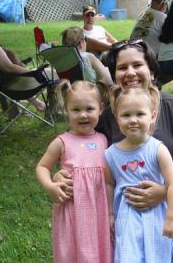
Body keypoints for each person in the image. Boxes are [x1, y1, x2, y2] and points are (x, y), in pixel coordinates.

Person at [53, 39, 173, 263]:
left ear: (151, 71)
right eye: (122, 68)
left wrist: (165, 191)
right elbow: (75, 146)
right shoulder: (104, 116)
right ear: (114, 75)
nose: (130, 73)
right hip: (131, 198)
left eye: (137, 65)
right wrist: (60, 174)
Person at [105, 86, 173, 262]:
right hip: (126, 218)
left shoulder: (158, 149)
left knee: (158, 255)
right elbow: (109, 184)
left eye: (140, 114)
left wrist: (172, 218)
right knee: (128, 256)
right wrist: (110, 214)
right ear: (117, 118)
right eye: (126, 115)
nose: (133, 120)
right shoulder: (111, 154)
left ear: (153, 116)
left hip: (156, 215)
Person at [36, 80, 112, 262]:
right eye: (75, 110)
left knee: (99, 246)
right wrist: (50, 186)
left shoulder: (103, 140)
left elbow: (109, 180)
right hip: (72, 208)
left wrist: (110, 212)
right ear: (66, 111)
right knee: (70, 247)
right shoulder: (62, 142)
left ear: (100, 109)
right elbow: (42, 167)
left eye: (89, 109)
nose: (83, 115)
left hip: (98, 207)